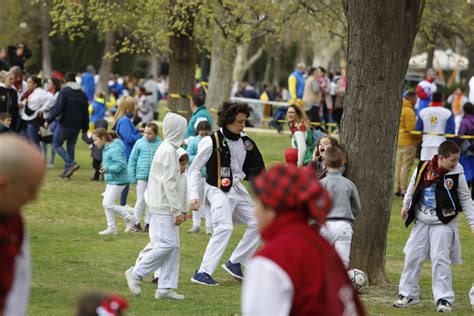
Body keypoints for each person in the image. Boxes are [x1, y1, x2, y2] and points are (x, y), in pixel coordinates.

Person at [242, 164, 365, 315]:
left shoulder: (271, 259)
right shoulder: (323, 247)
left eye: (258, 203)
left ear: (272, 208)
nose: (255, 211)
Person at [188, 101, 265, 286]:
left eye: (244, 121)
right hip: (216, 189)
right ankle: (202, 272)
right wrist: (194, 196)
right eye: (240, 121)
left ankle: (235, 262)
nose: (243, 125)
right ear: (229, 120)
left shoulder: (245, 141)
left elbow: (257, 170)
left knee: (260, 222)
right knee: (224, 227)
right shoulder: (210, 141)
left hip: (236, 188)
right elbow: (193, 170)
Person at [394, 141, 474, 312]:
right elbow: (412, 185)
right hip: (422, 219)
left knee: (440, 259)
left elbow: (466, 200)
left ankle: (444, 298)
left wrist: (472, 222)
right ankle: (407, 294)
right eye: (453, 160)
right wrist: (406, 204)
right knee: (412, 256)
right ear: (442, 158)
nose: (456, 163)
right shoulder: (423, 167)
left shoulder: (457, 174)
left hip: (443, 222)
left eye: (457, 159)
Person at [125, 112, 187, 300]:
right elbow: (170, 183)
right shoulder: (168, 150)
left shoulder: (167, 148)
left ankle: (165, 287)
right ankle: (136, 273)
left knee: (172, 246)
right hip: (162, 206)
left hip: (163, 204)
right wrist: (177, 210)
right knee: (167, 244)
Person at [0, 134, 46, 316]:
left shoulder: (13, 220)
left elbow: (18, 283)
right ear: (3, 185)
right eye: (31, 189)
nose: (34, 198)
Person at [319, 147, 361, 269]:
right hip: (344, 224)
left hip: (325, 225)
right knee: (342, 262)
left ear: (325, 163)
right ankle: (339, 286)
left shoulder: (321, 184)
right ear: (343, 162)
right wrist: (349, 217)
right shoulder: (349, 184)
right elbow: (356, 206)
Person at [46, 72, 89, 178]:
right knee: (71, 146)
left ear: (65, 80)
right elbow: (85, 113)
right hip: (77, 125)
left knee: (56, 144)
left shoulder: (65, 91)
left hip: (65, 123)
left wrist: (49, 119)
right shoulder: (83, 94)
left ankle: (71, 163)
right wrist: (85, 128)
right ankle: (67, 172)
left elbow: (58, 107)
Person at [92, 128, 135, 235]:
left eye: (95, 140)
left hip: (120, 180)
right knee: (106, 203)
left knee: (107, 203)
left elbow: (121, 165)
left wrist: (107, 169)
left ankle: (129, 217)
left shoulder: (113, 149)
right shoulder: (107, 147)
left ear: (102, 138)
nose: (94, 142)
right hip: (112, 179)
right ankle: (112, 228)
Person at [128, 122, 162, 233]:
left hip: (154, 177)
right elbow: (132, 160)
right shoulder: (139, 143)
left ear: (156, 133)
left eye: (150, 133)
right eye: (145, 133)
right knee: (141, 199)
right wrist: (132, 176)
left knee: (150, 201)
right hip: (141, 176)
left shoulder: (160, 144)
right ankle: (136, 223)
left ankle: (149, 224)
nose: (147, 135)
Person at [113, 96, 142, 206]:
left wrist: (138, 131)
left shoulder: (124, 119)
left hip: (126, 152)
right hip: (126, 153)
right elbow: (128, 138)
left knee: (125, 181)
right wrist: (140, 136)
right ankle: (122, 204)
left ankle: (122, 203)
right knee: (124, 181)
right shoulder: (124, 120)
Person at [186, 120, 212, 234]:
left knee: (208, 201)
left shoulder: (212, 143)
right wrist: (198, 159)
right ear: (197, 132)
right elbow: (187, 156)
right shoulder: (194, 142)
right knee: (196, 200)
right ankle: (196, 225)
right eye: (202, 134)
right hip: (196, 176)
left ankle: (209, 227)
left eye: (206, 134)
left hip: (208, 176)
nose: (204, 137)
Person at [394, 91, 421, 197]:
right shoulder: (409, 111)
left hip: (400, 141)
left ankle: (397, 187)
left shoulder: (399, 107)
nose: (416, 101)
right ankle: (404, 189)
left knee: (399, 166)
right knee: (406, 167)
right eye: (416, 98)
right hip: (409, 142)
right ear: (412, 98)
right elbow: (411, 129)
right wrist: (419, 136)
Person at [416, 92, 455, 161]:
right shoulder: (447, 113)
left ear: (431, 99)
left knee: (424, 168)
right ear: (442, 100)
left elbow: (418, 129)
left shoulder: (423, 112)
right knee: (439, 169)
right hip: (441, 146)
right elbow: (451, 132)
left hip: (426, 146)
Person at [18, 76, 52, 145]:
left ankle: (37, 156)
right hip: (25, 120)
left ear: (35, 84)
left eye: (30, 82)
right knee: (28, 144)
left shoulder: (40, 92)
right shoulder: (30, 92)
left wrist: (42, 108)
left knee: (34, 144)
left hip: (32, 121)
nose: (27, 84)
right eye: (27, 82)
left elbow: (51, 98)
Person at [40, 77, 62, 168]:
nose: (47, 85)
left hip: (54, 121)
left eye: (49, 83)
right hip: (44, 119)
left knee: (53, 140)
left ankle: (51, 161)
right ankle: (43, 160)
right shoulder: (46, 94)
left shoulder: (58, 95)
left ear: (54, 85)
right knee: (43, 140)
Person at [457, 102, 474, 198]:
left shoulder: (465, 121)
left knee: (466, 172)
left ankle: (465, 196)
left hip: (466, 151)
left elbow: (461, 136)